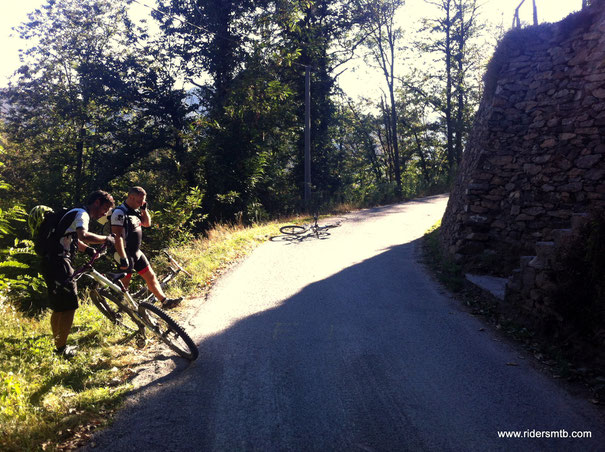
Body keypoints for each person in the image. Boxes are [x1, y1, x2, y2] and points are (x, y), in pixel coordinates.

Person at [43, 190, 116, 359]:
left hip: (50, 262)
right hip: (60, 262)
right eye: (105, 208)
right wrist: (106, 239)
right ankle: (62, 350)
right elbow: (84, 235)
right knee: (70, 306)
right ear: (97, 202)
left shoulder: (74, 212)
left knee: (59, 307)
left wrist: (89, 250)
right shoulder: (82, 214)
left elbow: (74, 239)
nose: (105, 213)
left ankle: (58, 345)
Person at [110, 186, 182, 310]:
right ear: (131, 197)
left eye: (142, 201)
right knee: (124, 284)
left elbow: (147, 223)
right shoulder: (119, 213)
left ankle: (165, 302)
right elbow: (117, 237)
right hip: (125, 253)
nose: (140, 204)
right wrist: (123, 257)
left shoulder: (136, 210)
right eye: (139, 201)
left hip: (136, 252)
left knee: (151, 277)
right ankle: (120, 310)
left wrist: (144, 209)